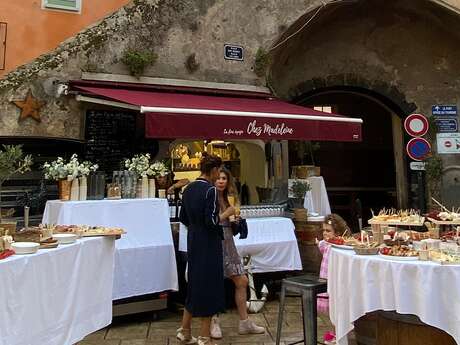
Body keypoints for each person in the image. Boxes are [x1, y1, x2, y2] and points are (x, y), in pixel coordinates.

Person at [176, 155, 235, 345]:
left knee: (194, 284)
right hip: (208, 242)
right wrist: (226, 214)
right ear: (214, 170)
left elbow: (182, 217)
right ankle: (204, 336)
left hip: (193, 239)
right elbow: (211, 221)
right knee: (210, 286)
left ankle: (185, 331)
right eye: (219, 170)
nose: (219, 175)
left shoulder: (188, 188)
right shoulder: (210, 190)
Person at [210, 167, 266, 339]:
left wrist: (236, 222)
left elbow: (229, 222)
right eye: (218, 178)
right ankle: (213, 321)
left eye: (224, 178)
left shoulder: (228, 198)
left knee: (241, 280)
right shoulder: (209, 197)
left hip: (228, 241)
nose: (221, 181)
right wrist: (227, 214)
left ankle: (244, 322)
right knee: (215, 281)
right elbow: (210, 221)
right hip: (214, 242)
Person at [317, 213, 350, 345]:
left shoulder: (340, 246)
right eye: (323, 230)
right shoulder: (326, 244)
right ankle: (334, 332)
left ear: (338, 232)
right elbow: (321, 245)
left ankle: (338, 333)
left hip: (335, 282)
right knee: (327, 308)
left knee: (336, 308)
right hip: (325, 280)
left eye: (328, 231)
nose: (325, 233)